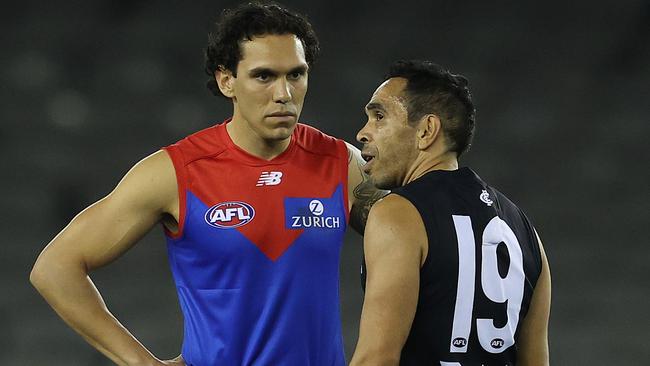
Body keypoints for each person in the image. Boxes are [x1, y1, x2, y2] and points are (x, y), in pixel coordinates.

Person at [29, 3, 385, 365]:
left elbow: (416, 242)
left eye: (296, 75)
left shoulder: (341, 163)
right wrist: (141, 363)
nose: (284, 94)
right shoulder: (175, 172)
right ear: (226, 80)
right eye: (264, 76)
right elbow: (55, 268)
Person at [349, 60, 551, 366]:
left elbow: (376, 359)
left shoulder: (398, 213)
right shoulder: (525, 231)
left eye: (379, 116)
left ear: (426, 130)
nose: (363, 133)